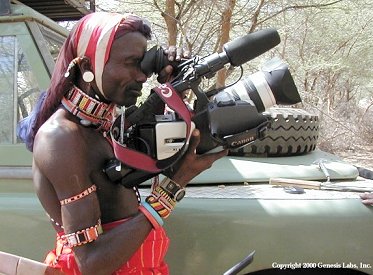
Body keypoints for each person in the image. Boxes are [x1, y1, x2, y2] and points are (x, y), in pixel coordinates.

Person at [22, 12, 227, 274]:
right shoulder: (61, 138)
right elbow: (92, 263)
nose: (142, 76)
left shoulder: (103, 124)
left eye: (143, 64)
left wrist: (175, 87)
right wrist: (172, 188)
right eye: (131, 63)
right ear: (87, 68)